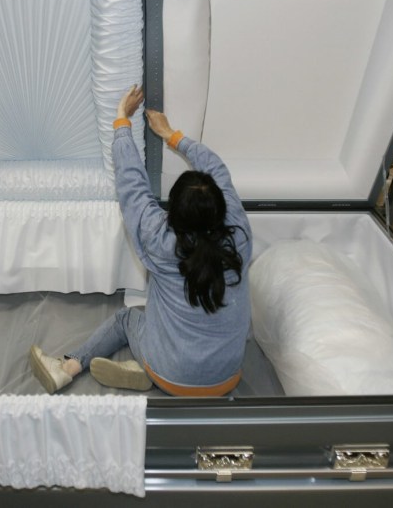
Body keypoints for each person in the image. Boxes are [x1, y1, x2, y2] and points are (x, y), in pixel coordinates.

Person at [29, 85, 252, 396]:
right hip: (227, 376)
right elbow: (217, 169)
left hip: (172, 375)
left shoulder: (159, 239)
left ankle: (67, 368)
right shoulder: (239, 233)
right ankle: (142, 369)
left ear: (172, 212)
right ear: (220, 206)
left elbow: (131, 184)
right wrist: (173, 136)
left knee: (127, 318)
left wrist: (122, 121)